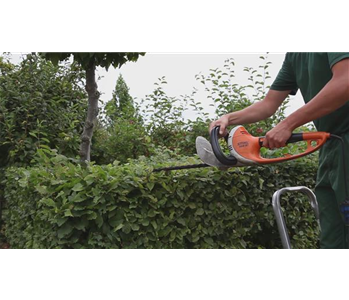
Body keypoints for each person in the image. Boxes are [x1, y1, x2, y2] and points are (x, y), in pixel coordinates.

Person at [209, 52, 349, 249]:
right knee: (333, 239)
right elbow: (268, 105)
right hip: (333, 146)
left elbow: (345, 81)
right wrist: (228, 119)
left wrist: (288, 124)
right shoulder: (295, 55)